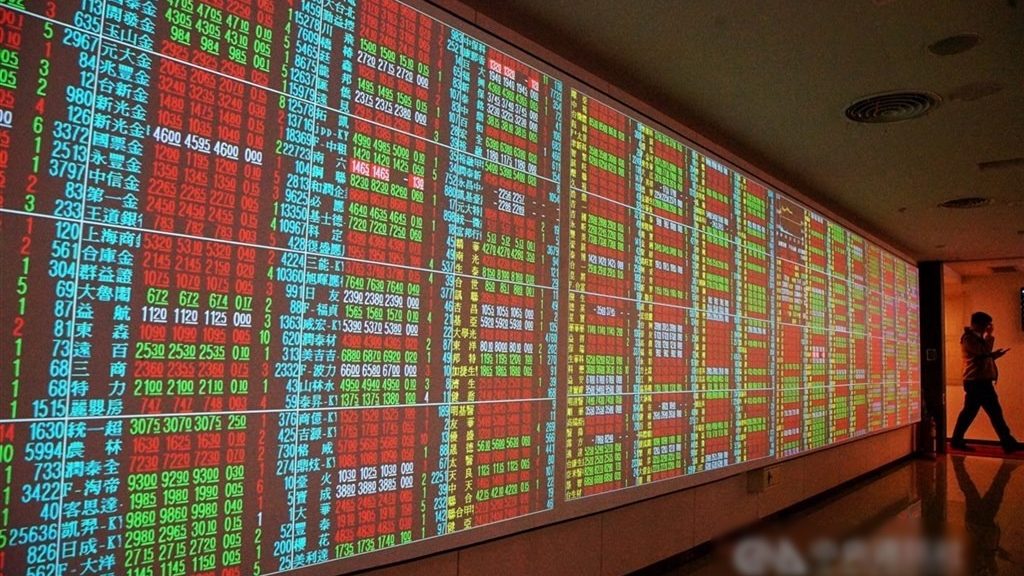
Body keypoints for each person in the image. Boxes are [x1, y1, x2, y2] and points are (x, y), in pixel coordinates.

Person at [950, 311, 1019, 453]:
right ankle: (1008, 443)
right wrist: (990, 336)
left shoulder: (976, 338)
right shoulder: (968, 338)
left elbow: (982, 355)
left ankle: (957, 440)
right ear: (978, 324)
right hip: (976, 382)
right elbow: (983, 352)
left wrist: (993, 356)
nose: (987, 327)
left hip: (979, 382)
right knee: (992, 412)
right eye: (986, 324)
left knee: (971, 413)